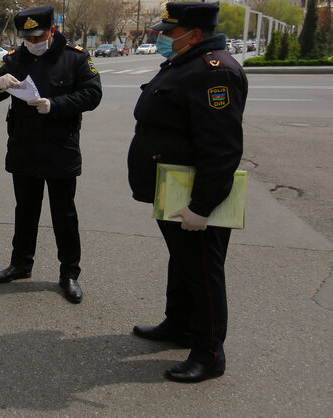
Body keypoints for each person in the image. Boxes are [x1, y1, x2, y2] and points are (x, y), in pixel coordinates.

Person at [127, 2, 247, 383]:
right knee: (182, 261)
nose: (163, 38)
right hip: (172, 186)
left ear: (194, 34)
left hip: (193, 194)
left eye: (169, 32)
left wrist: (202, 206)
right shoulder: (187, 62)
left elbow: (221, 147)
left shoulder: (215, 72)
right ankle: (178, 324)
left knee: (202, 271)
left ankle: (209, 353)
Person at [0, 6, 102, 304]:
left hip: (60, 148)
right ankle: (21, 263)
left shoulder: (74, 58)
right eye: (26, 37)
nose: (32, 42)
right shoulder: (15, 59)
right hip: (24, 148)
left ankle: (69, 273)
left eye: (37, 36)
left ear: (51, 31)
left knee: (64, 214)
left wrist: (56, 104)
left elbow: (92, 94)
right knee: (25, 210)